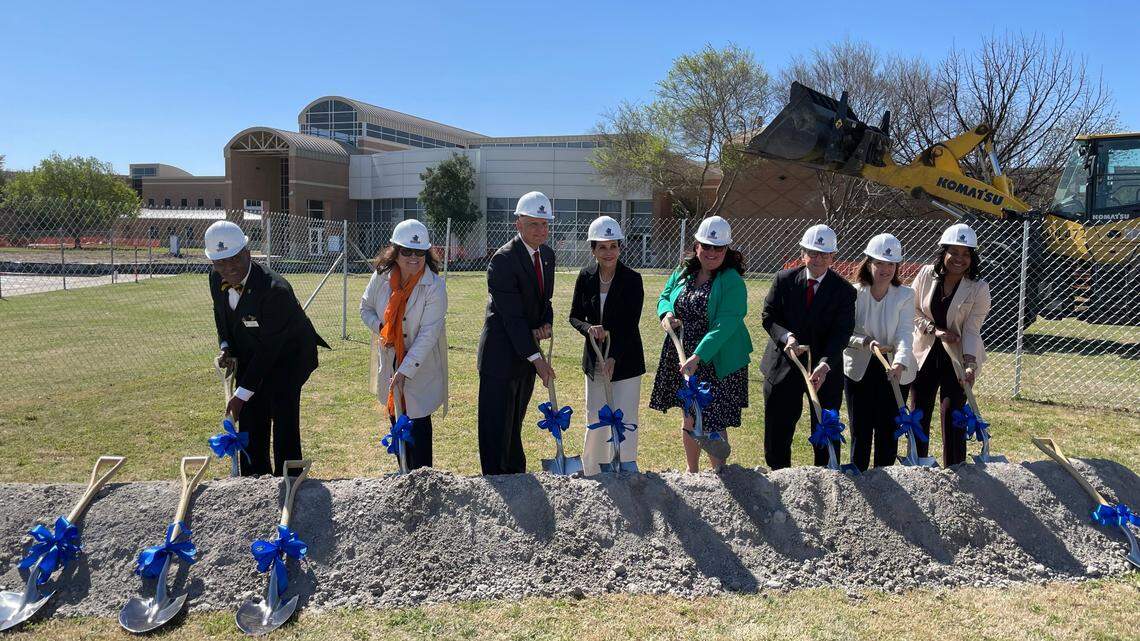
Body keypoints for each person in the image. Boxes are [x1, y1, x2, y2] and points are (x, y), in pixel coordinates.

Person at [206, 220, 329, 476]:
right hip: (253, 353)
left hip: (289, 357)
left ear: (248, 254)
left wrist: (240, 395)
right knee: (251, 417)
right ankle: (254, 481)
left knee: (281, 412)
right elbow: (221, 315)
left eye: (235, 259)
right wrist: (226, 345)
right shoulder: (216, 278)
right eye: (221, 262)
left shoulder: (276, 290)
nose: (229, 268)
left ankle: (289, 479)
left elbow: (269, 350)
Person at [649, 216, 752, 472]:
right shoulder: (684, 272)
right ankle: (692, 473)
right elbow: (664, 296)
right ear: (696, 246)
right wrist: (666, 314)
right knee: (689, 415)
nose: (712, 252)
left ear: (727, 249)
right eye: (706, 246)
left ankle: (719, 475)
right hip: (683, 353)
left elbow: (726, 324)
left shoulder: (732, 281)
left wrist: (698, 357)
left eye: (718, 247)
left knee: (714, 420)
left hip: (715, 358)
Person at [760, 223, 856, 470]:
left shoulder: (844, 291)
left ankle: (826, 476)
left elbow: (841, 333)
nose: (818, 259)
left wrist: (824, 365)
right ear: (802, 253)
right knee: (778, 430)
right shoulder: (784, 280)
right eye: (812, 253)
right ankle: (778, 477)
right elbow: (768, 316)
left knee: (825, 429)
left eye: (824, 254)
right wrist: (786, 338)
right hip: (783, 367)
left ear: (833, 256)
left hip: (824, 371)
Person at [476, 191, 557, 475]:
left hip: (524, 355)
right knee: (495, 429)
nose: (540, 230)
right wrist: (538, 360)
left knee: (514, 426)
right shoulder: (503, 260)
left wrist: (546, 322)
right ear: (518, 224)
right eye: (533, 223)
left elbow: (544, 301)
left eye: (545, 224)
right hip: (500, 357)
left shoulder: (547, 255)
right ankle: (495, 484)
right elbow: (511, 317)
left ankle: (516, 480)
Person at [360, 219, 448, 470]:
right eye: (406, 251)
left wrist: (405, 371)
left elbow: (428, 335)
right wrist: (383, 329)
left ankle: (423, 481)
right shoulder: (380, 278)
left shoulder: (435, 287)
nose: (413, 257)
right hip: (389, 360)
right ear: (395, 252)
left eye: (419, 252)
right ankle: (403, 475)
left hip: (420, 366)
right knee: (395, 419)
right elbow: (364, 308)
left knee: (418, 427)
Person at [910, 223, 991, 467]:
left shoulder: (978, 289)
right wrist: (934, 330)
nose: (959, 259)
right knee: (919, 410)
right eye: (954, 252)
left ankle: (956, 468)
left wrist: (969, 364)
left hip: (956, 358)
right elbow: (911, 310)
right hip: (924, 353)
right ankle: (917, 462)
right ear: (943, 253)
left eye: (966, 254)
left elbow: (971, 330)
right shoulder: (925, 275)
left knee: (953, 412)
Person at [569, 216, 645, 475]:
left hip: (626, 360)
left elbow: (630, 324)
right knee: (596, 416)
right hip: (595, 360)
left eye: (613, 246)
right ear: (593, 250)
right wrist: (589, 328)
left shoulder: (633, 280)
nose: (608, 252)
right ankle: (592, 469)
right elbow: (574, 316)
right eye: (602, 247)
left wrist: (613, 357)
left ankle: (624, 465)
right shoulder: (586, 277)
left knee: (624, 416)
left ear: (620, 248)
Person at [841, 233, 917, 471]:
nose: (885, 269)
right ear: (868, 263)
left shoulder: (905, 295)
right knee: (861, 428)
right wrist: (866, 342)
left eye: (891, 264)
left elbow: (905, 332)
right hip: (860, 367)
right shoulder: (853, 293)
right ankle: (859, 476)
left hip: (893, 369)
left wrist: (900, 362)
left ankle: (886, 479)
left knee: (888, 429)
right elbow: (845, 332)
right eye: (879, 263)